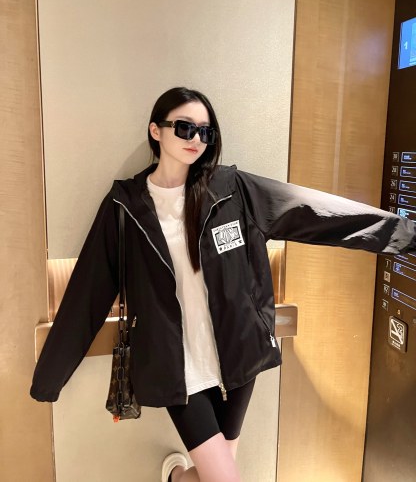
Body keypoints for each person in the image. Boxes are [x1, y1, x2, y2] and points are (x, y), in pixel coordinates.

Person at [30, 87, 416, 482]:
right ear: (156, 131)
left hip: (237, 356)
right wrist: (49, 379)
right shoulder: (124, 206)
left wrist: (404, 234)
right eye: (185, 128)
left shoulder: (232, 190)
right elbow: (88, 293)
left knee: (216, 474)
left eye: (205, 131)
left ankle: (178, 477)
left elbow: (312, 211)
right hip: (177, 368)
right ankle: (178, 476)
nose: (196, 139)